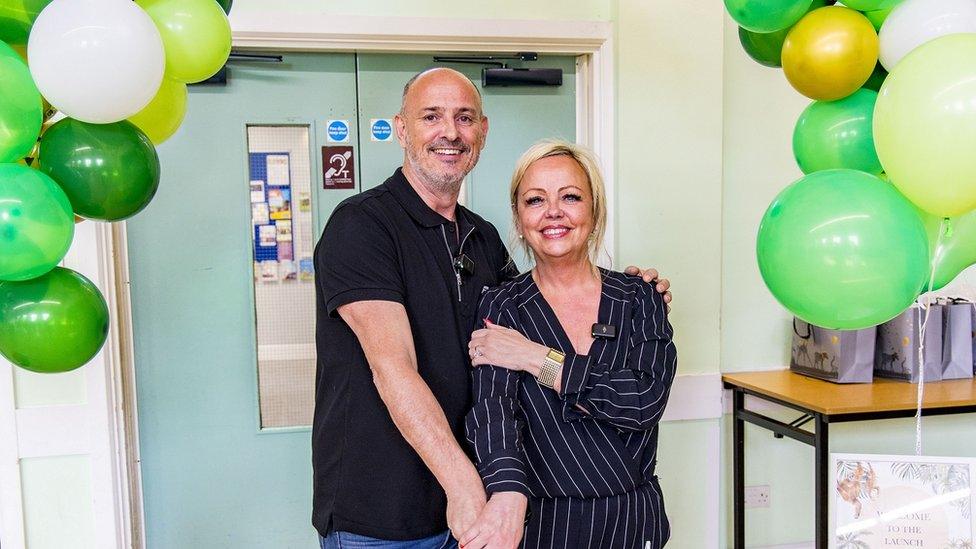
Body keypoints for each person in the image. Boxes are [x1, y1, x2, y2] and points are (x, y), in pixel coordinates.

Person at [313, 68, 671, 548]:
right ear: (402, 129)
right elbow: (393, 367)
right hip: (385, 511)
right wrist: (471, 488)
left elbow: (520, 342)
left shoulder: (481, 238)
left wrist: (641, 290)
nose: (450, 132)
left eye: (465, 118)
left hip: (479, 506)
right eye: (431, 117)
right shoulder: (362, 226)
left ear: (482, 132)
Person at [462, 140, 677, 549]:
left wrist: (536, 357)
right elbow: (494, 415)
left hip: (633, 521)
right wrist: (507, 494)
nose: (553, 212)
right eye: (535, 200)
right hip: (546, 525)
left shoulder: (639, 297)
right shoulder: (503, 305)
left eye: (571, 197)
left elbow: (644, 401)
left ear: (594, 211)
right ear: (520, 217)